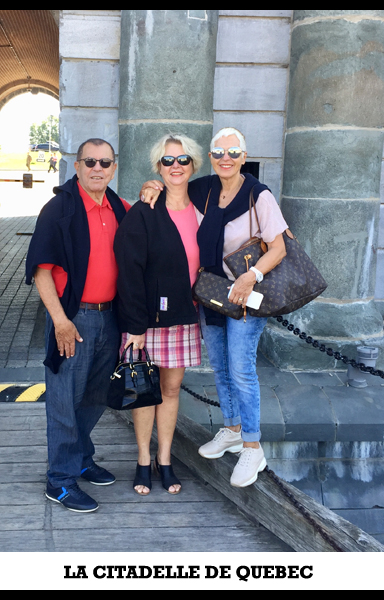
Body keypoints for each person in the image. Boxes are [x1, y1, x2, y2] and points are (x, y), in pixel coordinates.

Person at [138, 127, 287, 487]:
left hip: (246, 296)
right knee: (220, 366)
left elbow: (279, 248)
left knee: (240, 368)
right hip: (213, 294)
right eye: (219, 152)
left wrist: (252, 275)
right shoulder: (204, 189)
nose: (226, 158)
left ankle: (252, 445)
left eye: (233, 151)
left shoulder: (258, 194)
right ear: (211, 156)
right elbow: (172, 179)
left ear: (244, 154)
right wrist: (151, 184)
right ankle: (232, 428)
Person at [25, 138, 131, 512]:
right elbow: (40, 272)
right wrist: (60, 321)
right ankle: (61, 480)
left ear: (114, 167)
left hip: (110, 317)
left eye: (105, 162)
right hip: (75, 317)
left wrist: (154, 190)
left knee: (96, 396)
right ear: (77, 166)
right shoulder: (59, 210)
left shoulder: (120, 207)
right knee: (64, 401)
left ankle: (81, 456)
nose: (97, 168)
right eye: (90, 162)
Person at [114, 133, 205, 496]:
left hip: (184, 316)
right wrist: (135, 324)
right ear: (158, 167)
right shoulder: (145, 210)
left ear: (194, 165)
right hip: (147, 321)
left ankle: (164, 460)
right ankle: (142, 460)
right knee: (144, 392)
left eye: (182, 160)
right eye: (167, 161)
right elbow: (129, 269)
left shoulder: (205, 207)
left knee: (170, 390)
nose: (175, 167)